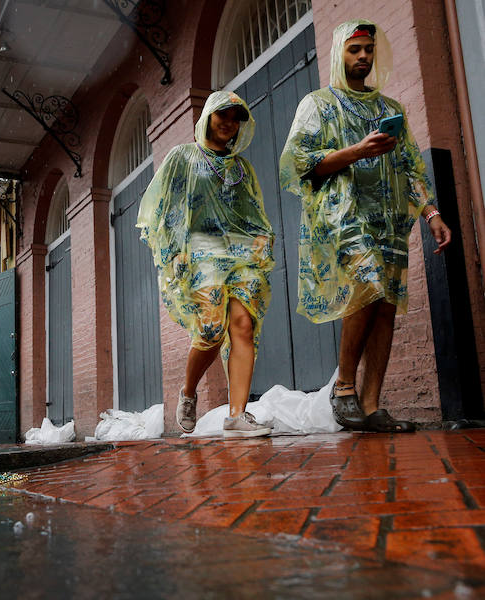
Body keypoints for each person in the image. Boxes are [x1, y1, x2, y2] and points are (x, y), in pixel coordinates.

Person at [279, 20, 451, 433]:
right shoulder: (318, 104)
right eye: (354, 49)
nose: (363, 57)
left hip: (389, 218)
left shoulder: (391, 109)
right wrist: (357, 151)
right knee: (368, 286)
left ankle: (373, 406)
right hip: (343, 215)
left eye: (368, 49)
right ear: (340, 52)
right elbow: (301, 163)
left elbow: (410, 165)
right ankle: (343, 388)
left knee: (386, 304)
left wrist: (431, 214)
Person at [137, 91, 275, 438]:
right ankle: (188, 391)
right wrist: (174, 251)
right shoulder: (182, 157)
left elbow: (252, 211)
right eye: (222, 115)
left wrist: (261, 238)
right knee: (212, 331)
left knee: (243, 325)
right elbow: (164, 208)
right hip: (199, 251)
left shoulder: (242, 168)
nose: (229, 122)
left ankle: (237, 414)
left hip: (240, 254)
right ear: (208, 117)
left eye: (236, 117)